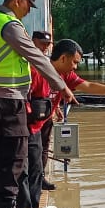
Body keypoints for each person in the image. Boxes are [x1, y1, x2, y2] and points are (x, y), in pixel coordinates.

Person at [0, 0, 75, 208]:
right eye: (28, 6)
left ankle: (0, 206)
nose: (29, 11)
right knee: (14, 155)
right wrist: (61, 86)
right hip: (9, 100)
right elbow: (36, 57)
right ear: (17, 0)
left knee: (1, 153)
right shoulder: (10, 26)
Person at [18, 39, 105, 208]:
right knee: (28, 166)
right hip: (27, 126)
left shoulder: (66, 75)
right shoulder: (36, 72)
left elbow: (88, 85)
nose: (76, 67)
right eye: (75, 62)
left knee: (36, 165)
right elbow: (23, 99)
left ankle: (32, 206)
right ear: (63, 58)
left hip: (42, 123)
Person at [30, 31, 58, 192]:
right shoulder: (28, 61)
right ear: (33, 41)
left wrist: (56, 107)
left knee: (44, 146)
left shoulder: (46, 62)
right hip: (33, 109)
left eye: (48, 45)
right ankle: (33, 182)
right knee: (34, 148)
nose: (45, 48)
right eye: (42, 44)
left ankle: (40, 178)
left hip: (46, 108)